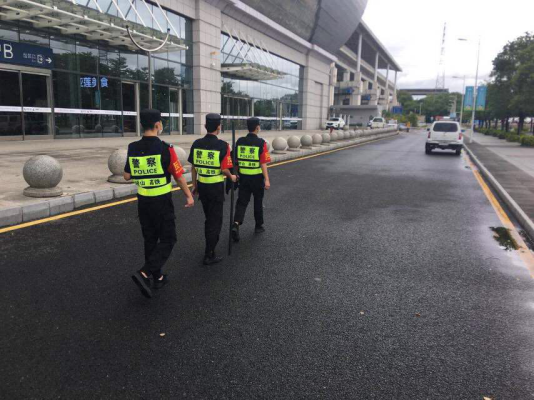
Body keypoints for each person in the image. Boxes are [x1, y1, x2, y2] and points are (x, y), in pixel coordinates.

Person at [124, 109, 194, 298]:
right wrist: (189, 195)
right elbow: (178, 176)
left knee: (150, 239)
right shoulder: (166, 148)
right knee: (169, 239)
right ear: (157, 125)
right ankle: (144, 273)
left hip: (143, 201)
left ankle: (157, 277)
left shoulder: (132, 147)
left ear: (141, 125)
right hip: (161, 202)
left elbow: (127, 175)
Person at [188, 113, 236, 265]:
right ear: (218, 127)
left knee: (209, 218)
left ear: (205, 126)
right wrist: (232, 177)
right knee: (215, 221)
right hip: (215, 189)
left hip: (202, 186)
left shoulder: (196, 144)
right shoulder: (223, 145)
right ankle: (209, 254)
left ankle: (210, 248)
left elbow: (193, 167)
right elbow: (224, 169)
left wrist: (194, 185)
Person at [231, 117, 271, 242]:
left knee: (242, 202)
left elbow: (235, 161)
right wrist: (267, 179)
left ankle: (236, 223)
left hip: (243, 178)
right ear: (257, 127)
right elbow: (263, 163)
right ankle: (258, 226)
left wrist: (236, 174)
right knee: (258, 202)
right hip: (257, 179)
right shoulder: (261, 143)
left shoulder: (240, 141)